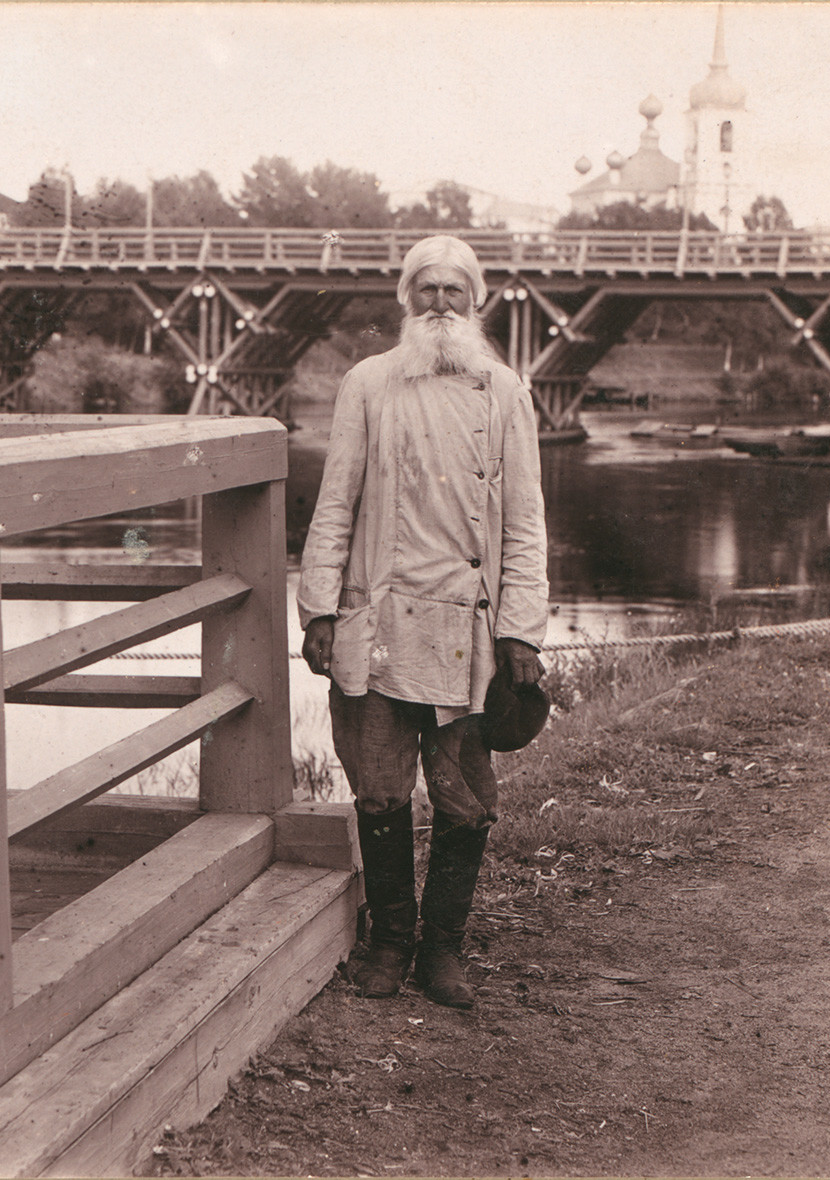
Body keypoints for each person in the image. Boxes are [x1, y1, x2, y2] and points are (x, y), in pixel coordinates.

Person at [297, 235, 549, 1009]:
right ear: (405, 300)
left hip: (467, 628)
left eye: (454, 291)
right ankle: (388, 943)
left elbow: (528, 523)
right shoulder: (369, 384)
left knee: (464, 798)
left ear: (478, 303)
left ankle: (442, 950)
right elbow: (336, 501)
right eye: (426, 290)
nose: (440, 304)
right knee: (379, 792)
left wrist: (521, 631)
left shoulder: (503, 391)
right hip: (376, 620)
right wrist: (317, 608)